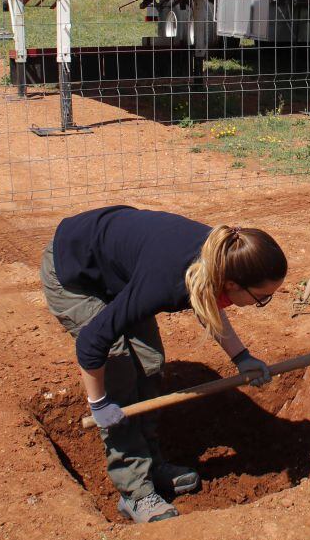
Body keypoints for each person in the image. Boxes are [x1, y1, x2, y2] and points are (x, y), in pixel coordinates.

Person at [40, 205, 287, 522]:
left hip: (118, 271)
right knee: (119, 371)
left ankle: (151, 464)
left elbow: (204, 300)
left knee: (150, 362)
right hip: (74, 273)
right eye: (262, 297)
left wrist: (242, 357)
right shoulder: (167, 280)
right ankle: (136, 493)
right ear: (233, 285)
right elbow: (92, 342)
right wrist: (99, 404)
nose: (261, 304)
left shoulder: (218, 259)